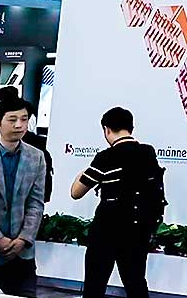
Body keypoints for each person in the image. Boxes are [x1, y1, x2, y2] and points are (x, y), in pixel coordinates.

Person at [71, 107, 164, 298]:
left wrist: (85, 171)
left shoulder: (105, 158)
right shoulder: (148, 153)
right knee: (136, 283)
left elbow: (76, 192)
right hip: (138, 230)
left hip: (106, 230)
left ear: (106, 130)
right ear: (131, 128)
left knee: (95, 284)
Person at [0, 95, 47, 297]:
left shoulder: (36, 156)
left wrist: (24, 238)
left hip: (20, 251)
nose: (19, 125)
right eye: (12, 119)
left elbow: (36, 203)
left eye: (24, 119)